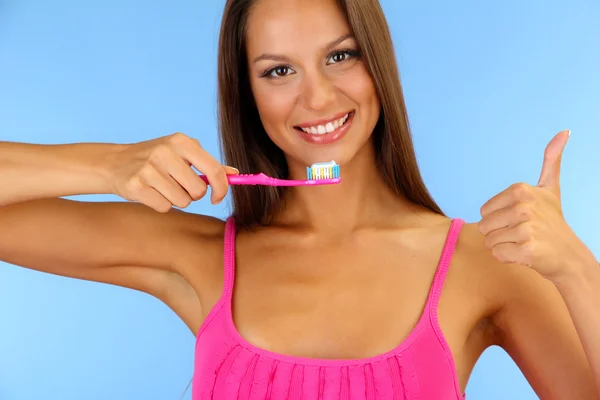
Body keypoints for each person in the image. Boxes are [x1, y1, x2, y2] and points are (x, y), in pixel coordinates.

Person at [1, 0, 599, 398]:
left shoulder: (483, 261)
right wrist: (107, 165)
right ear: (249, 95)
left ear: (377, 63)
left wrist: (575, 268)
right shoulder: (200, 257)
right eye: (278, 71)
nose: (316, 97)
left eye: (341, 56)